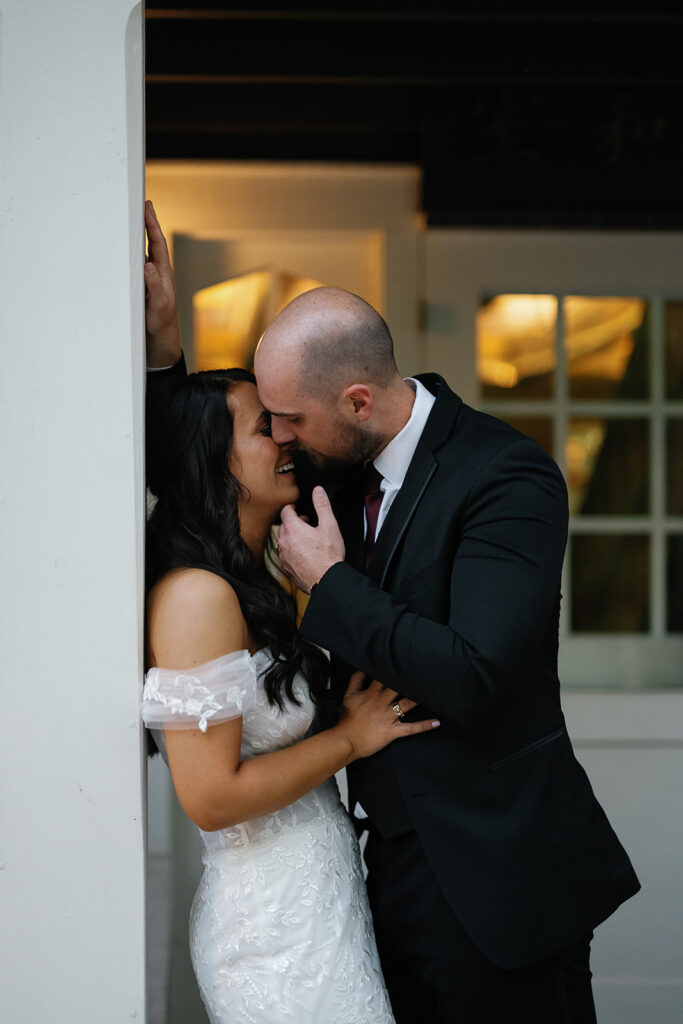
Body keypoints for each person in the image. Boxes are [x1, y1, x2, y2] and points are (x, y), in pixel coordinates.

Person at [144, 202, 641, 1023]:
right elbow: (209, 455)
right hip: (379, 877)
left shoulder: (504, 479)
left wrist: (332, 586)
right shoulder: (333, 463)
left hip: (497, 875)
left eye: (292, 421)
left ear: (358, 401)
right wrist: (164, 349)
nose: (283, 440)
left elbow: (473, 672)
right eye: (272, 424)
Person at [141, 204, 439, 1024]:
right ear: (214, 464)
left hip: (322, 903)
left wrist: (165, 336)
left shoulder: (258, 576)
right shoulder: (196, 596)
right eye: (257, 427)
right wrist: (349, 736)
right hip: (271, 932)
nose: (282, 437)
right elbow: (210, 797)